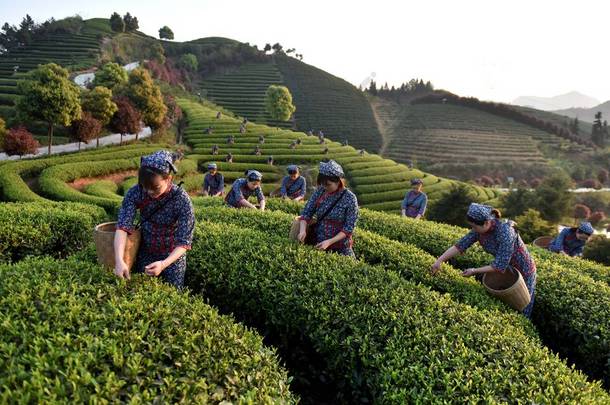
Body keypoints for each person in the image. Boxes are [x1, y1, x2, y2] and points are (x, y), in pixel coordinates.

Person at [431, 203, 537, 317]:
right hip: (507, 270)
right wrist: (439, 260)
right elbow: (460, 246)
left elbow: (499, 265)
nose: (473, 229)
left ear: (486, 223)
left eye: (474, 226)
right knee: (506, 306)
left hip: (524, 270)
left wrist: (474, 271)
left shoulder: (505, 232)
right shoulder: (479, 229)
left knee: (522, 306)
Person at [115, 150, 195, 288]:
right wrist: (119, 260)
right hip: (146, 252)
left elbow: (184, 242)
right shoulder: (136, 192)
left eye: (155, 187)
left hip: (173, 258)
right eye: (145, 187)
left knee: (173, 296)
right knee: (143, 291)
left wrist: (164, 264)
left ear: (168, 178)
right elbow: (123, 227)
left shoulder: (181, 200)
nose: (149, 192)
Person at [297, 160, 359, 257]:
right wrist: (302, 230)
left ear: (338, 181)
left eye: (328, 184)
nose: (325, 187)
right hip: (319, 242)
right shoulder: (320, 191)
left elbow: (348, 228)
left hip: (341, 246)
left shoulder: (350, 198)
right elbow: (306, 213)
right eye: (322, 184)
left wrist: (329, 242)